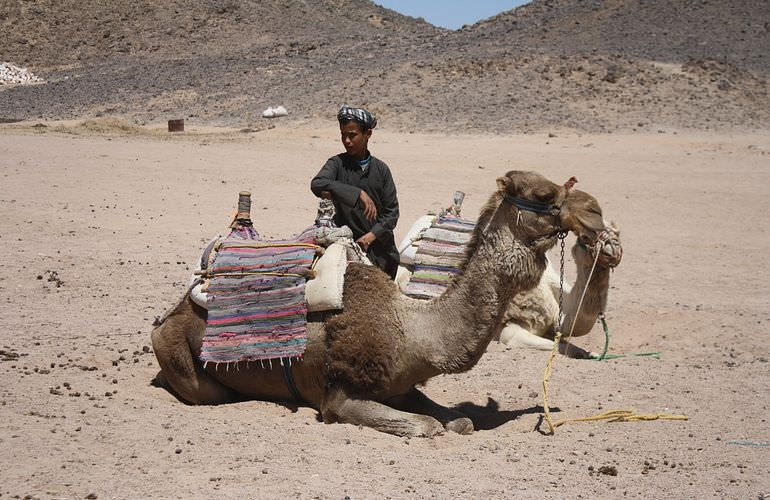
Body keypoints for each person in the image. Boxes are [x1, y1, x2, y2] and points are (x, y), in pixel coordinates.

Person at [311, 106, 400, 279]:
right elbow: (317, 184)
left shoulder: (381, 170)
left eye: (352, 135)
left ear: (368, 134)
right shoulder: (337, 164)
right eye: (343, 135)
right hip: (346, 245)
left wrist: (371, 236)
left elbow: (392, 213)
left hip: (379, 251)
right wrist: (357, 193)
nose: (347, 141)